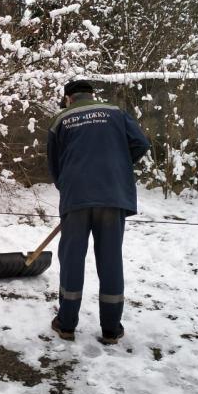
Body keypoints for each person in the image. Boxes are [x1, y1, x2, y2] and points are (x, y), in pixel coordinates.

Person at [46, 79, 150, 344]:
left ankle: (67, 324)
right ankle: (111, 329)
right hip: (112, 197)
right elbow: (140, 143)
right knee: (110, 260)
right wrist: (118, 166)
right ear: (93, 95)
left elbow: (55, 165)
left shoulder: (61, 120)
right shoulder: (116, 113)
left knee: (72, 260)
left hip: (76, 199)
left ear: (68, 98)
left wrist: (70, 187)